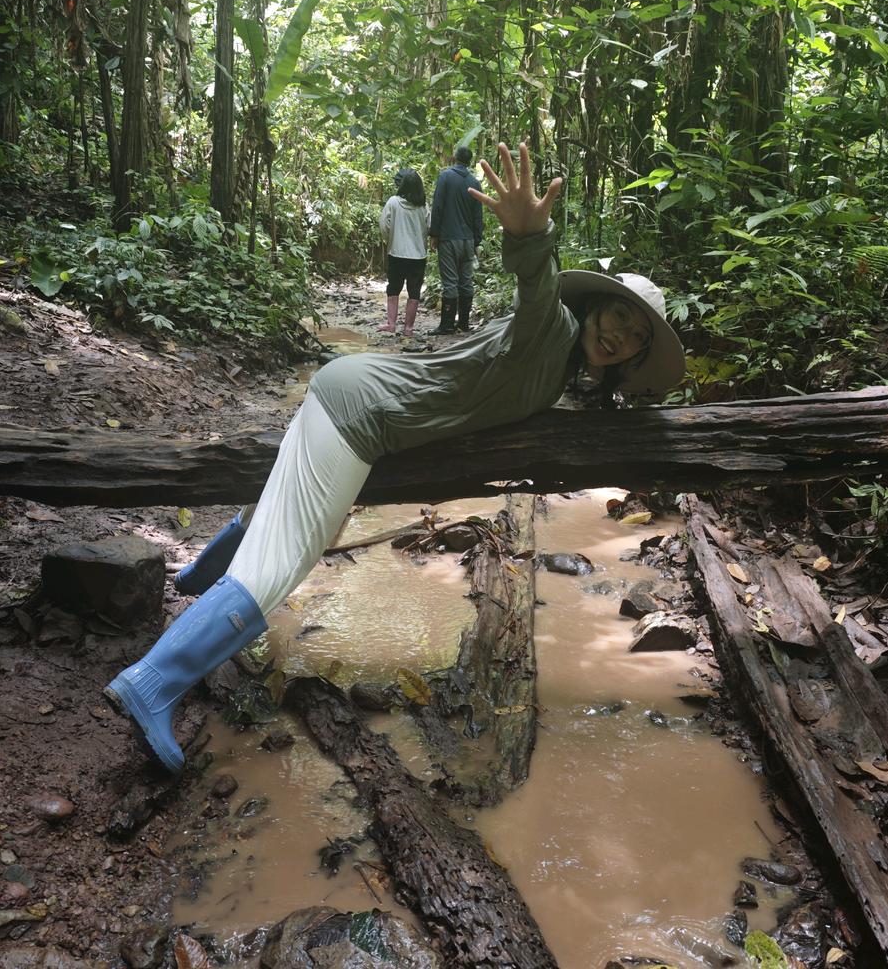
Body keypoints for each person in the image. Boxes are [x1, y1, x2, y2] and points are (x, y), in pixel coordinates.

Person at [105, 142, 686, 774]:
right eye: (618, 318)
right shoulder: (552, 330)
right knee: (282, 567)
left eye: (635, 337)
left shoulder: (561, 363)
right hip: (362, 417)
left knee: (303, 521)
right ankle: (154, 682)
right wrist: (532, 235)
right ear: (594, 306)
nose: (620, 336)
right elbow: (538, 286)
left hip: (354, 391)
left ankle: (199, 576)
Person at [428, 145, 483, 335]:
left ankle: (447, 325)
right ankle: (464, 324)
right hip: (468, 241)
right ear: (469, 161)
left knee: (450, 282)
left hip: (448, 239)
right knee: (466, 282)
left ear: (455, 158)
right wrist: (477, 241)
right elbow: (478, 216)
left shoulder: (445, 177)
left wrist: (434, 234)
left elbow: (438, 206)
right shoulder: (475, 183)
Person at [378, 169, 429, 337]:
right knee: (414, 291)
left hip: (397, 253)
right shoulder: (423, 206)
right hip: (418, 255)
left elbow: (384, 225)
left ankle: (391, 324)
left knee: (393, 288)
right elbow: (429, 227)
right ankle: (408, 328)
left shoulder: (393, 202)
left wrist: (390, 239)